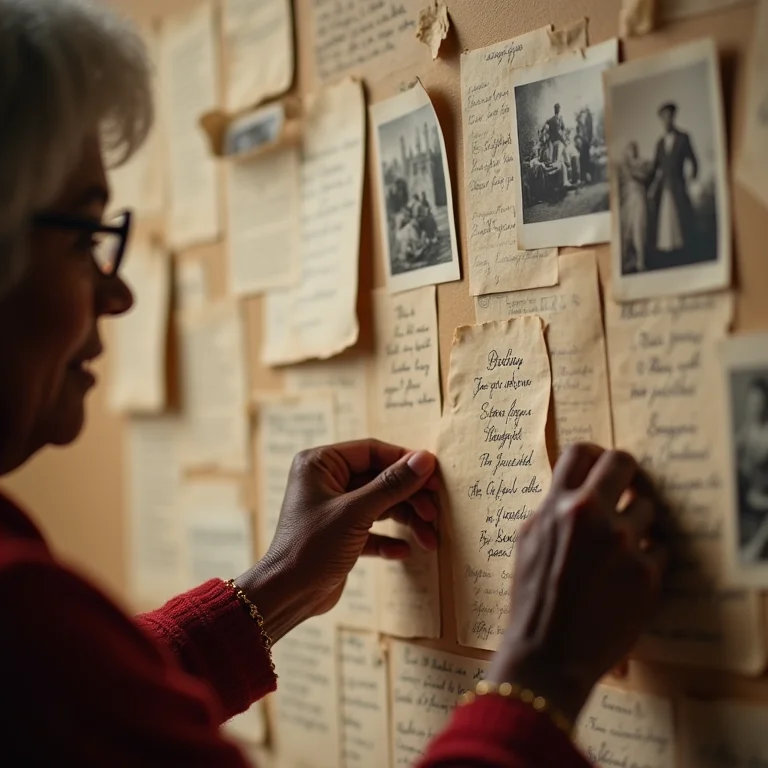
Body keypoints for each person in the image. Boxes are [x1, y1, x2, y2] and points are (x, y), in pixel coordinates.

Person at [0, 2, 668, 765]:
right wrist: (539, 672)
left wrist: (278, 584)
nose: (116, 295)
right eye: (85, 238)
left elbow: (78, 715)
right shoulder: (22, 615)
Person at [649, 102, 699, 266]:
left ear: (674, 117)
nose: (666, 120)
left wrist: (693, 175)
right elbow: (654, 167)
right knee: (665, 221)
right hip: (664, 188)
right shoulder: (659, 143)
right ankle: (668, 256)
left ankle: (687, 253)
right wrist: (645, 184)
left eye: (669, 116)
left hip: (679, 185)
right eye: (663, 117)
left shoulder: (684, 138)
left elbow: (694, 160)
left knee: (683, 217)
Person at [735, 378, 768, 563]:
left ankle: (754, 548)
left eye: (759, 403)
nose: (754, 408)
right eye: (751, 403)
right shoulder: (747, 430)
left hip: (763, 494)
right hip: (747, 492)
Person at [621, 141, 653, 272]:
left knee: (640, 228)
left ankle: (641, 261)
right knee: (629, 230)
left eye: (634, 148)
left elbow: (645, 176)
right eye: (630, 148)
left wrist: (633, 172)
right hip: (630, 201)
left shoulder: (642, 164)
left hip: (639, 198)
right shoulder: (626, 165)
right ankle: (631, 260)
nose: (633, 151)